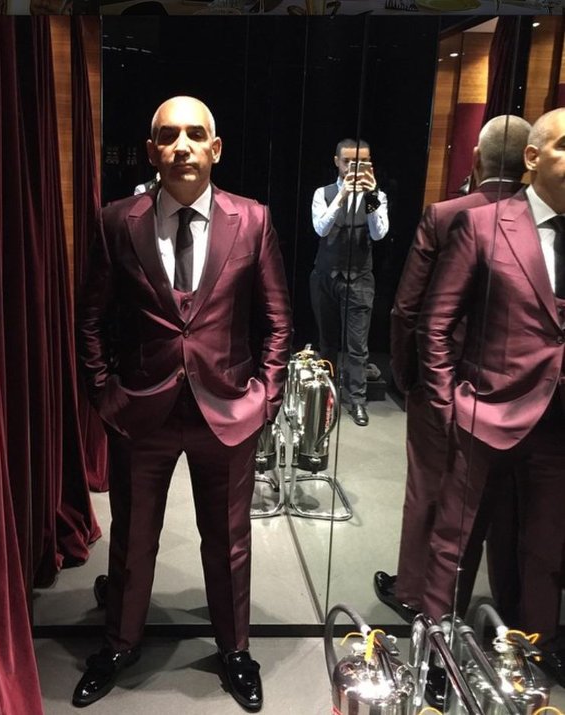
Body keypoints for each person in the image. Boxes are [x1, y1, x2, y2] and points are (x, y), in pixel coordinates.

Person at [73, 96, 292, 710]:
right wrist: (104, 394)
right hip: (141, 411)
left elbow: (278, 322)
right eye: (168, 136)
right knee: (133, 537)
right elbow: (90, 318)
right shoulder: (116, 221)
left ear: (215, 149)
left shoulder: (253, 221)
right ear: (151, 151)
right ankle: (120, 643)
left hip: (228, 410)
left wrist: (265, 399)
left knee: (228, 540)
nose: (182, 146)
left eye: (196, 134)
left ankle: (235, 649)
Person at [417, 107, 565, 683]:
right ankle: (435, 657)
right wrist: (447, 407)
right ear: (532, 157)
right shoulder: (484, 225)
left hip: (558, 425)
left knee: (546, 549)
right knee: (454, 545)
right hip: (484, 412)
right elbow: (435, 324)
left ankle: (530, 661)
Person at [374, 115, 531, 622]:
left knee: (428, 487)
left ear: (477, 159)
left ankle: (413, 592)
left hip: (443, 376)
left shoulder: (444, 215)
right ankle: (514, 610)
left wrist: (407, 377)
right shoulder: (541, 222)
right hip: (519, 387)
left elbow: (407, 308)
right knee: (508, 502)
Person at [310, 138, 389, 426]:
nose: (355, 168)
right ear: (337, 162)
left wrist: (371, 195)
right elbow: (321, 228)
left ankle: (357, 400)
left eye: (363, 162)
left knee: (357, 346)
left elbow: (379, 233)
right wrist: (343, 195)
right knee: (327, 342)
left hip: (360, 280)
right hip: (326, 277)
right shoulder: (323, 193)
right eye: (349, 162)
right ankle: (326, 397)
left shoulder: (376, 196)